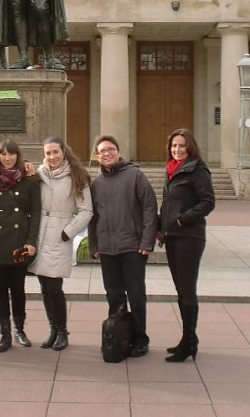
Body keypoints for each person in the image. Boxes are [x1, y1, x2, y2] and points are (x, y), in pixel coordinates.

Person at [88, 135, 158, 358]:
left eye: (110, 149)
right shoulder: (96, 184)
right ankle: (119, 336)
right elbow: (93, 217)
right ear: (97, 156)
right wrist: (94, 245)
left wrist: (147, 241)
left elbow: (149, 207)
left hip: (133, 247)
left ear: (118, 152)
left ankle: (140, 338)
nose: (106, 154)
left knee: (136, 295)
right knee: (114, 296)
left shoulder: (135, 175)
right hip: (108, 249)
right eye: (102, 151)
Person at [28, 136, 93, 351]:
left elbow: (86, 210)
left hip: (59, 234)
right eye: (48, 153)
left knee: (55, 287)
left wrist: (68, 232)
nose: (52, 156)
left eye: (55, 152)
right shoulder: (39, 174)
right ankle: (53, 329)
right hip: (40, 233)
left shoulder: (76, 175)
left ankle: (63, 331)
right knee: (44, 286)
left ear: (64, 152)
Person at [157, 128, 215, 363]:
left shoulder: (197, 170)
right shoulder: (172, 170)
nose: (177, 149)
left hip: (189, 237)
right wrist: (162, 227)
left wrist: (183, 219)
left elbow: (208, 202)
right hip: (172, 237)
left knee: (187, 291)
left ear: (190, 147)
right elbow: (166, 203)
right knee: (181, 290)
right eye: (173, 146)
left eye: (181, 146)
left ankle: (189, 341)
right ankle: (188, 338)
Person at [0, 139, 41, 352]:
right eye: (3, 154)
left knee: (18, 289)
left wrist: (31, 241)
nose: (7, 158)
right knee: (0, 290)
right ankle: (5, 333)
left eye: (12, 154)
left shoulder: (28, 181)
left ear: (18, 156)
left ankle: (19, 330)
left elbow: (35, 213)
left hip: (18, 242)